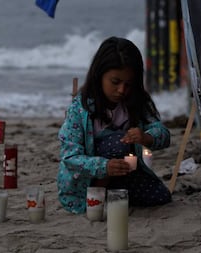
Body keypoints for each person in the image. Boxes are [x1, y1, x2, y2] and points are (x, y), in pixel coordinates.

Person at [57, 36, 172, 214]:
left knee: (160, 196)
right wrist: (104, 167)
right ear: (99, 75)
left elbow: (163, 133)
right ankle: (99, 196)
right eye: (115, 82)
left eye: (128, 84)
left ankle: (115, 194)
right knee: (118, 142)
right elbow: (70, 157)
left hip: (126, 173)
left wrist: (146, 137)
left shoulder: (136, 101)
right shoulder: (80, 108)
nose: (121, 91)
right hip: (89, 180)